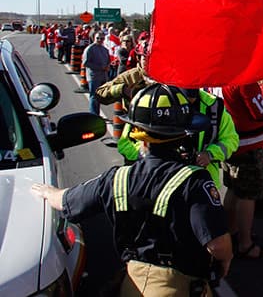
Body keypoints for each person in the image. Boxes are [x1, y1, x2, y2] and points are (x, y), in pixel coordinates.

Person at [30, 83, 232, 296]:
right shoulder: (195, 181)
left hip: (132, 282)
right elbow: (218, 245)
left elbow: (65, 201)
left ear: (137, 132)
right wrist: (224, 261)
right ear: (185, 133)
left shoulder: (116, 178)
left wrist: (43, 190)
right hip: (180, 286)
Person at [118, 87, 238, 188]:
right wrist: (155, 153)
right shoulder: (152, 103)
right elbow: (125, 144)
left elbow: (231, 139)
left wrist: (210, 154)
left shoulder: (214, 106)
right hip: (158, 182)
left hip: (202, 183)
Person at [221, 81, 263, 259]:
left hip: (231, 143)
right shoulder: (244, 81)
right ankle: (245, 243)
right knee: (247, 196)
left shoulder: (223, 76)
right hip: (247, 147)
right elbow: (262, 114)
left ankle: (230, 233)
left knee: (233, 190)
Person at [82, 30, 111, 115]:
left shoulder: (105, 49)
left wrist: (108, 66)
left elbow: (108, 61)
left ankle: (97, 113)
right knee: (94, 97)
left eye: (101, 38)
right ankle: (94, 115)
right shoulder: (90, 49)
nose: (99, 40)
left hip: (103, 76)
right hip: (94, 77)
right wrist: (100, 67)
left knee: (99, 97)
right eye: (97, 38)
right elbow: (85, 63)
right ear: (94, 38)